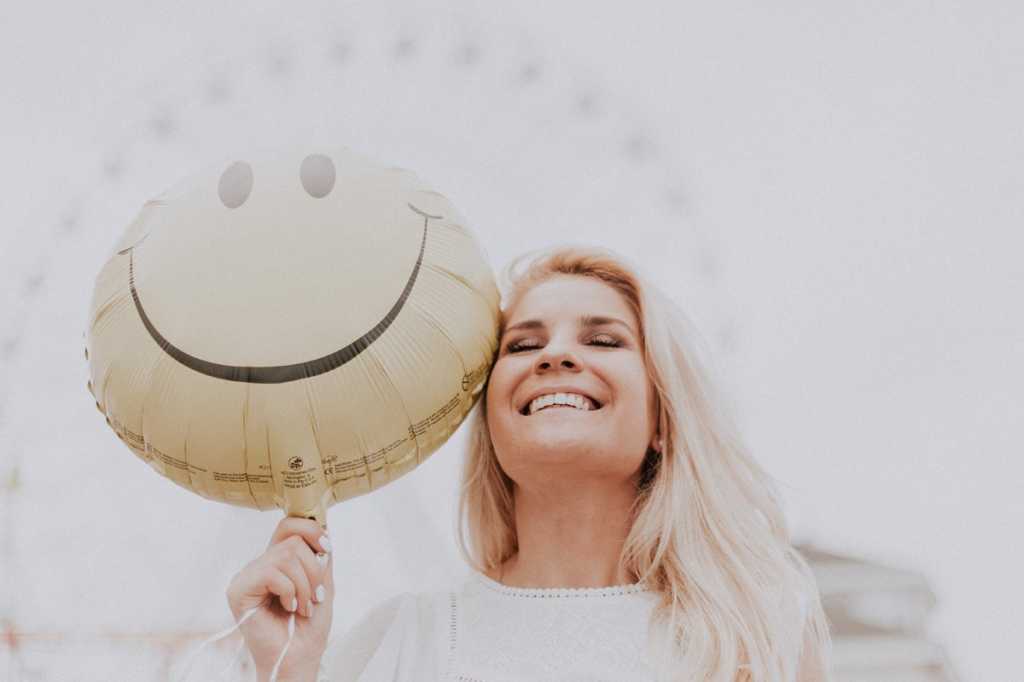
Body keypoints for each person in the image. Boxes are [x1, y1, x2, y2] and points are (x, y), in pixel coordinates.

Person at [227, 245, 832, 682]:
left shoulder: (754, 640)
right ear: (490, 421)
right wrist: (287, 671)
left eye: (602, 340)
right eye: (523, 345)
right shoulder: (402, 643)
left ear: (664, 424)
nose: (557, 355)